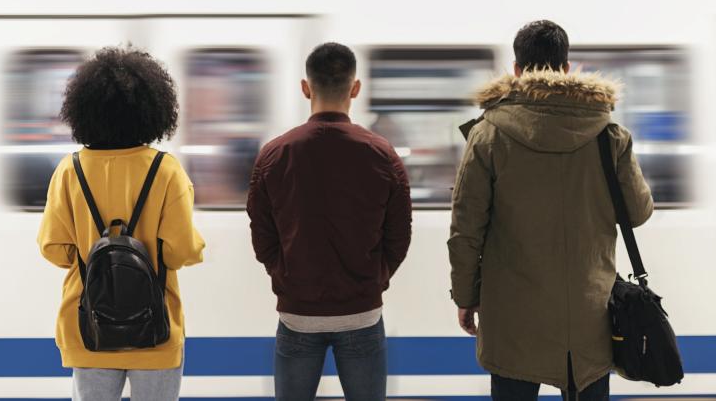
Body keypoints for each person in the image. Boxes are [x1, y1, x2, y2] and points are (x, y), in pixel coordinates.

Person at [447, 21, 654, 401]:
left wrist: (465, 295)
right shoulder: (610, 135)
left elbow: (465, 229)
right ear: (566, 68)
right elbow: (637, 213)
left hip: (512, 315)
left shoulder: (487, 135)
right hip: (589, 314)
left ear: (516, 70)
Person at [38, 46, 206, 401]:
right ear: (152, 110)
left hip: (90, 327)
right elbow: (179, 253)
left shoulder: (70, 170)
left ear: (85, 110)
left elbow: (54, 250)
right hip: (155, 329)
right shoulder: (166, 170)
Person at [247, 42, 413, 401]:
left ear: (306, 88)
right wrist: (374, 279)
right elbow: (399, 237)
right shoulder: (382, 154)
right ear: (355, 88)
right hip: (362, 313)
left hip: (297, 314)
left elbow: (262, 236)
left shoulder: (274, 154)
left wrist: (285, 275)